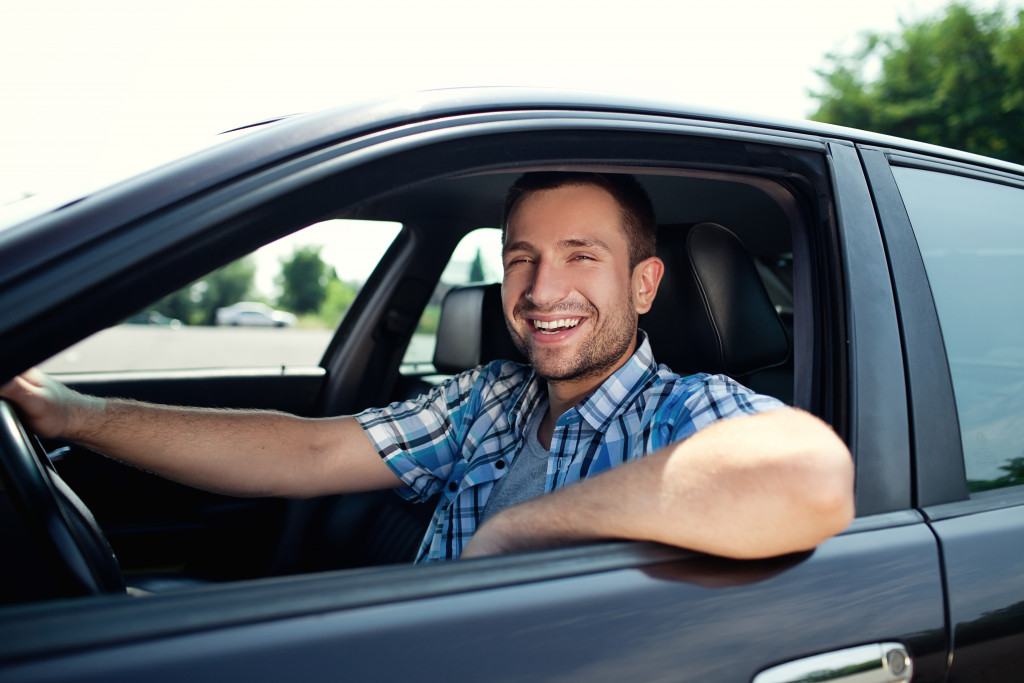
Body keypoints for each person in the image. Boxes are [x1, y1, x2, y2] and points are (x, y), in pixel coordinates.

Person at [0, 172, 854, 564]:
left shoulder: (684, 410)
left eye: (580, 256)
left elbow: (811, 475)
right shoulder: (491, 398)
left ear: (644, 283)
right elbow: (304, 452)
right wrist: (76, 414)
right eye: (521, 258)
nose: (540, 288)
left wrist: (517, 529)